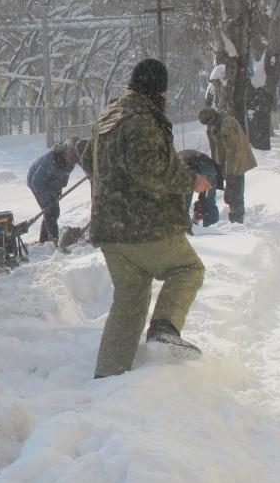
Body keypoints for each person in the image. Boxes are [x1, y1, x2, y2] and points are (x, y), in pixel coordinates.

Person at [80, 58, 210, 378]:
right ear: (159, 90)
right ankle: (164, 328)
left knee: (129, 301)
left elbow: (86, 158)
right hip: (144, 224)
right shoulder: (141, 118)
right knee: (187, 268)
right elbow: (148, 168)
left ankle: (109, 377)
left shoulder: (108, 115)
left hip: (109, 230)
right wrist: (189, 180)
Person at [197, 105, 257, 223]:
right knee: (232, 192)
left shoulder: (226, 126)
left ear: (212, 117)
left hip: (235, 164)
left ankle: (238, 218)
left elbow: (232, 152)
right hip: (232, 164)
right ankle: (234, 215)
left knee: (236, 192)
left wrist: (229, 173)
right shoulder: (220, 123)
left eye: (208, 122)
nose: (209, 125)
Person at [26, 140, 79, 244]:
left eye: (75, 158)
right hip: (36, 181)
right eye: (72, 157)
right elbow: (37, 181)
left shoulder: (71, 162)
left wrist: (58, 190)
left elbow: (62, 176)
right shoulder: (50, 159)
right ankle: (53, 240)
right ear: (65, 153)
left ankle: (44, 241)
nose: (74, 160)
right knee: (50, 212)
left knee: (54, 212)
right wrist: (47, 201)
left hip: (51, 183)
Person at [178, 149, 220, 227]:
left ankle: (183, 227)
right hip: (208, 165)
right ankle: (209, 226)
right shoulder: (183, 154)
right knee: (209, 204)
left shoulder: (174, 160)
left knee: (182, 206)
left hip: (189, 167)